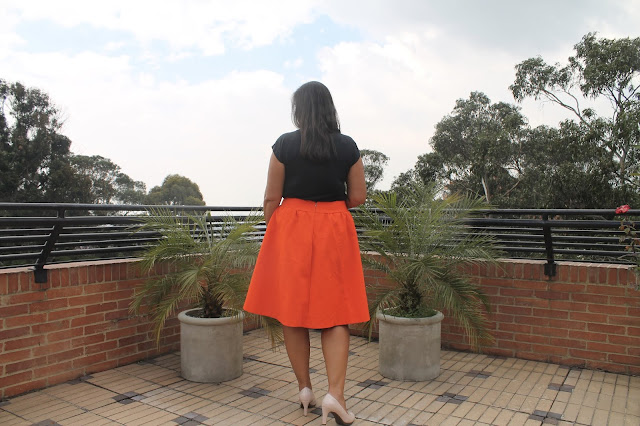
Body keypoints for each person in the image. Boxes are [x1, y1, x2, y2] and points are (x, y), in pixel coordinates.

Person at [244, 81, 369, 425]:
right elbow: (358, 196)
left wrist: (280, 229)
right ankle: (336, 396)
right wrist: (329, 208)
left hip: (290, 229)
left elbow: (272, 198)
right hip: (333, 227)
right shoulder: (347, 147)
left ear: (299, 110)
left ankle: (304, 389)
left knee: (292, 312)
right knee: (336, 314)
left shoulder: (284, 144)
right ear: (330, 108)